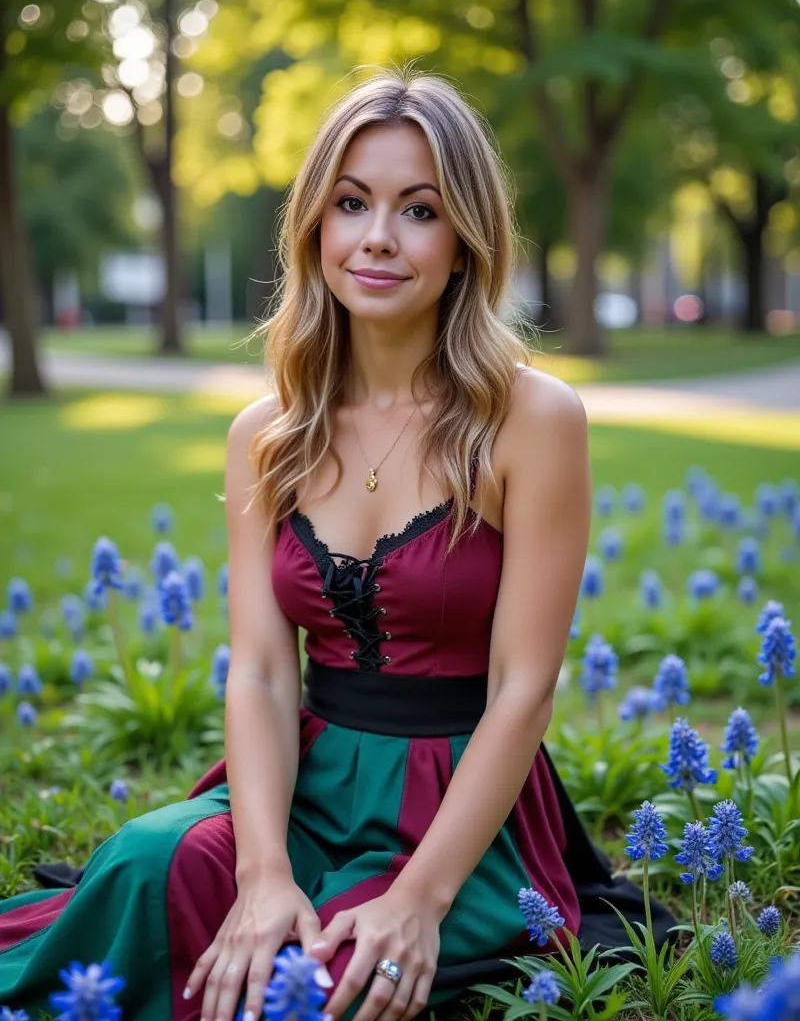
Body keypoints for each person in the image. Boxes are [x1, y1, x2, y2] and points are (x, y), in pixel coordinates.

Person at [0, 68, 674, 1021]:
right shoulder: (266, 432)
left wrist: (419, 899)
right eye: (352, 203)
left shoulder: (531, 418)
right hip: (300, 787)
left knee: (325, 978)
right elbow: (266, 675)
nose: (379, 238)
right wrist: (263, 872)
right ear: (316, 224)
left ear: (466, 242)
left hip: (456, 813)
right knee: (157, 864)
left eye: (420, 210)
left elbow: (525, 687)